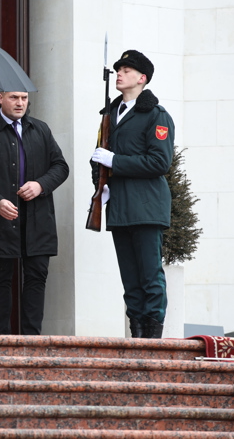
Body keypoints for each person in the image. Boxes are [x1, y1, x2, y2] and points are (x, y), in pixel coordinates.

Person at [0, 91, 69, 335]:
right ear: (0, 98)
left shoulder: (40, 129)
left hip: (37, 217)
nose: (20, 103)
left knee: (36, 278)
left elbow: (60, 166)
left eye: (24, 98)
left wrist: (40, 184)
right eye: (14, 97)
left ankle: (32, 341)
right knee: (0, 279)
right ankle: (1, 342)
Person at [90, 50, 175, 339]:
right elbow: (98, 160)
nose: (120, 74)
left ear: (142, 78)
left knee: (151, 277)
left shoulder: (156, 115)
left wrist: (115, 161)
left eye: (126, 70)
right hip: (120, 207)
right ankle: (138, 336)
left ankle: (153, 339)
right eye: (118, 70)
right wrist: (100, 187)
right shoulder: (110, 114)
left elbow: (159, 162)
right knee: (130, 279)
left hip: (147, 206)